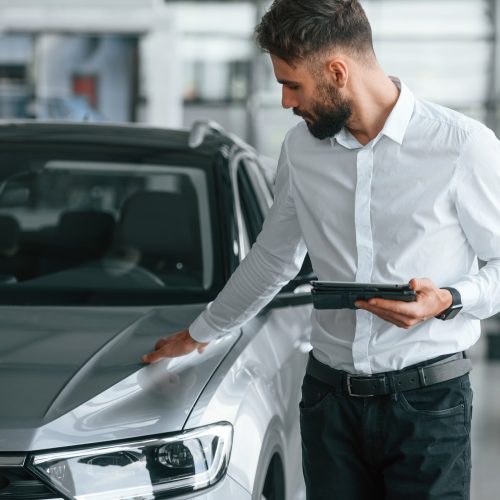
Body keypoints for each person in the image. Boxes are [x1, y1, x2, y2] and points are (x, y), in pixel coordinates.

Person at [143, 1, 500, 498]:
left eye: (293, 84)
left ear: (337, 72)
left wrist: (448, 300)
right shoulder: (301, 149)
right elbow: (273, 257)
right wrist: (199, 333)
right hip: (329, 401)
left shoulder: (462, 146)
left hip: (428, 405)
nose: (287, 101)